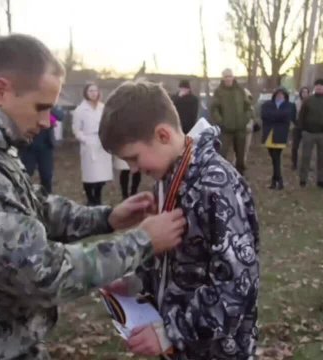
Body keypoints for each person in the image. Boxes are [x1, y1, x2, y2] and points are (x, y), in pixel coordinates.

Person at [0, 34, 186, 360]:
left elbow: (31, 206)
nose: (47, 121)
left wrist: (106, 217)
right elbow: (40, 271)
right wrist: (141, 242)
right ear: (0, 91)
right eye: (41, 107)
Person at [98, 81, 259, 359]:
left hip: (216, 351)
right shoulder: (167, 178)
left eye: (133, 158)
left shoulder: (216, 187)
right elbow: (173, 259)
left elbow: (237, 288)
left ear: (162, 135)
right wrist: (136, 282)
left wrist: (169, 332)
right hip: (179, 348)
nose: (134, 169)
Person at [72, 83, 113, 205]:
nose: (93, 93)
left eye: (95, 90)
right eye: (90, 91)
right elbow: (76, 128)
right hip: (88, 142)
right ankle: (91, 198)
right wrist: (84, 139)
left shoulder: (103, 107)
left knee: (101, 174)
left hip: (101, 142)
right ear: (86, 92)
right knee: (90, 174)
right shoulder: (80, 110)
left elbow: (107, 123)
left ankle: (98, 197)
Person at [298, 79, 323, 188]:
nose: (319, 88)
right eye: (317, 86)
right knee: (305, 157)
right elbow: (301, 115)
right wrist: (302, 129)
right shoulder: (308, 100)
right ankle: (303, 179)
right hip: (309, 133)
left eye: (321, 86)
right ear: (314, 87)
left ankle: (321, 180)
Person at [211, 68, 251, 174]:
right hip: (225, 129)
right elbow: (214, 109)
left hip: (240, 128)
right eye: (226, 77)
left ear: (233, 77)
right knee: (222, 153)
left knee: (240, 155)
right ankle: (222, 175)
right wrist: (220, 121)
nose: (228, 79)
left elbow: (248, 107)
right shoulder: (219, 92)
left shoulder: (240, 90)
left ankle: (240, 175)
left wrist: (245, 119)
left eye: (230, 76)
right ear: (223, 78)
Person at [21, 106, 64, 193]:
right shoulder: (26, 101)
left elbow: (60, 116)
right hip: (28, 146)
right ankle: (23, 198)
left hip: (46, 146)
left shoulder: (50, 102)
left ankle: (47, 199)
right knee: (25, 175)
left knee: (47, 176)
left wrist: (48, 106)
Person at [261, 87, 295, 190]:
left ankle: (277, 181)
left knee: (276, 158)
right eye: (278, 94)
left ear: (285, 96)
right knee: (274, 159)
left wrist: (273, 116)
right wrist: (278, 116)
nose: (280, 96)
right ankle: (277, 180)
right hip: (269, 135)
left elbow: (287, 117)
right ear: (274, 95)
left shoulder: (290, 106)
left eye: (282, 94)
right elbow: (264, 116)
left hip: (280, 135)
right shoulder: (267, 104)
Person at [292, 86, 310, 170]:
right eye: (303, 92)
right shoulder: (296, 103)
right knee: (295, 147)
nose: (304, 94)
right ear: (300, 93)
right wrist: (296, 123)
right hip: (297, 127)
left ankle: (306, 165)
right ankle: (294, 164)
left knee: (307, 148)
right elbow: (292, 115)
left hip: (308, 127)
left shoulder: (311, 103)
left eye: (306, 92)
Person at [244, 88, 258, 162]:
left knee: (246, 148)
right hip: (240, 130)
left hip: (249, 129)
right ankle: (236, 162)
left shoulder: (251, 108)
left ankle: (243, 161)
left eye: (249, 97)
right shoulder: (238, 107)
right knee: (238, 148)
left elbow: (253, 117)